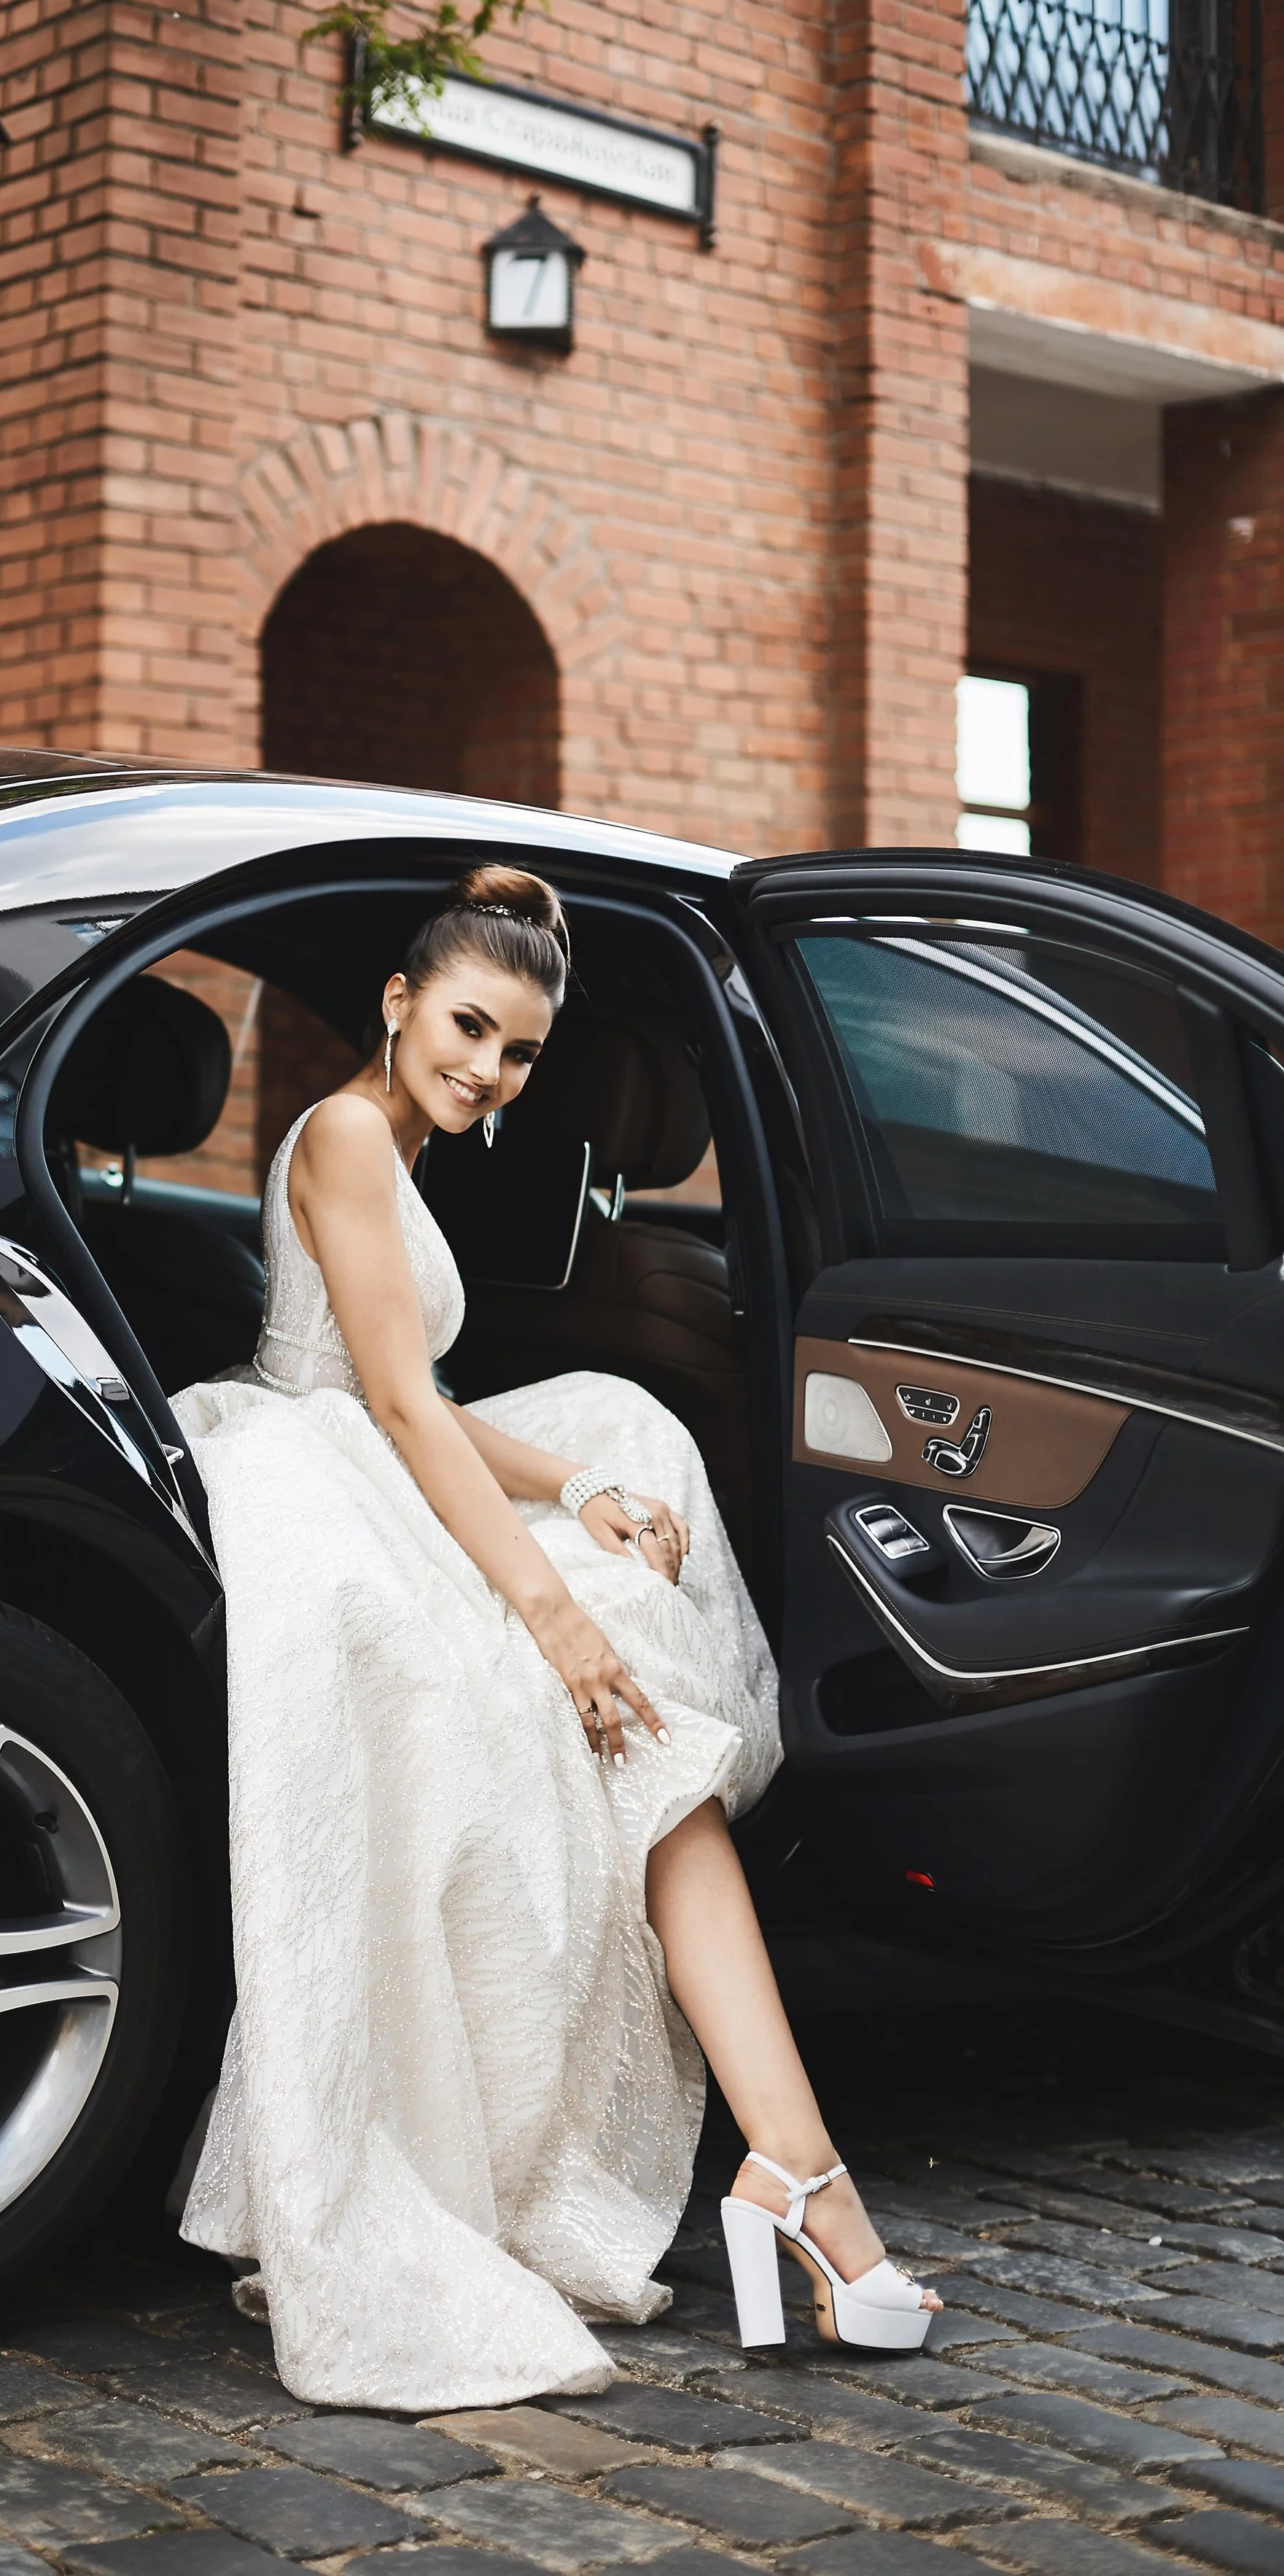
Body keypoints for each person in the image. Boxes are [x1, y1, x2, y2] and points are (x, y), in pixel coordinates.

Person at [171, 864, 940, 2412]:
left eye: (516, 1052)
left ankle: (794, 2173)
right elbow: (384, 1401)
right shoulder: (338, 1130)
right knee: (618, 1702)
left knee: (629, 1473)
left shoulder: (391, 1140)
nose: (486, 1070)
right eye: (465, 1028)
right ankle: (798, 2180)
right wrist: (544, 1614)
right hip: (316, 1474)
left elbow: (424, 1400)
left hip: (373, 1454)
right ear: (397, 1005)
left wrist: (573, 1487)